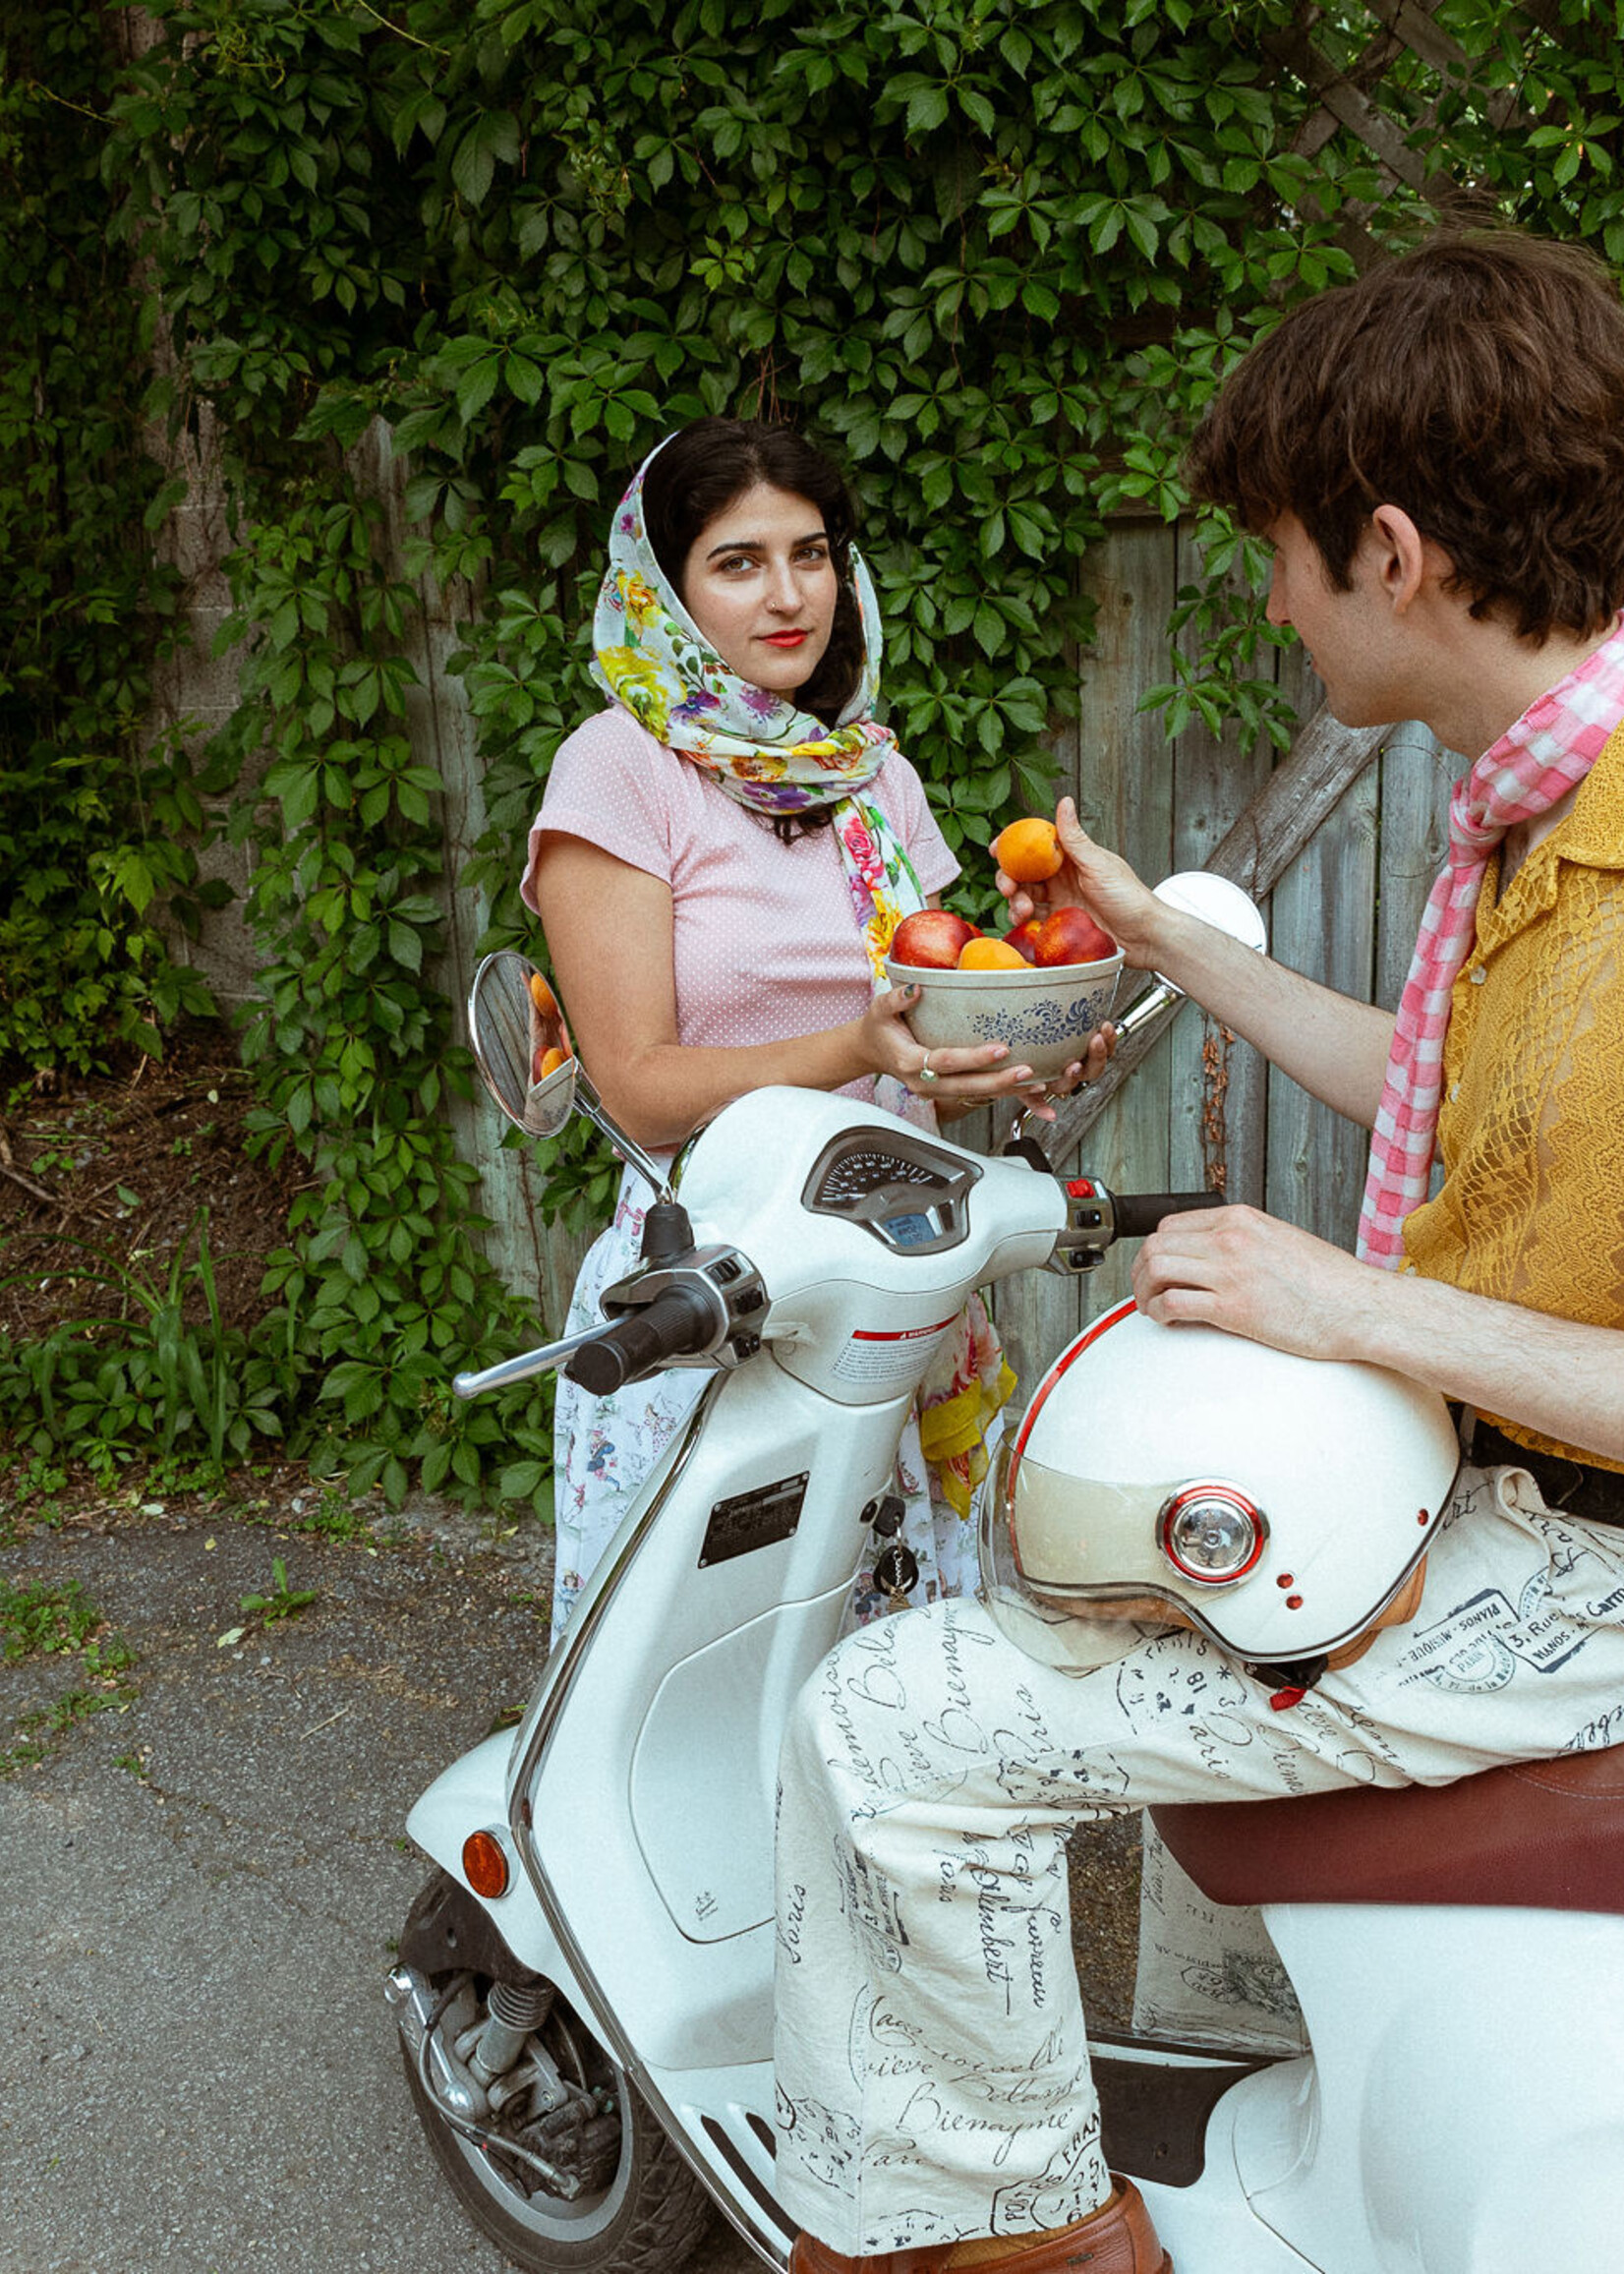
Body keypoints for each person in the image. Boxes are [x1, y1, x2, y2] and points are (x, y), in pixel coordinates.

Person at [772, 228, 1624, 2273]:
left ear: (1393, 552)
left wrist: (1348, 1300)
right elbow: (1449, 1087)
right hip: (1496, 1499)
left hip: (1578, 1573)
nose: (1263, 594)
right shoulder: (1550, 808)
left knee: (892, 1714)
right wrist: (1160, 944)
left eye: (1278, 548)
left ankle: (1036, 2243)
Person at [522, 420, 1108, 1643]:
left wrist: (1023, 1038)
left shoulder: (867, 778)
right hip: (715, 1293)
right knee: (704, 1660)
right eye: (738, 562)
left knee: (891, 1660)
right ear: (664, 590)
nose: (788, 596)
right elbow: (635, 1087)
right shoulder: (617, 774)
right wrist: (857, 1050)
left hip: (897, 1273)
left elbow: (915, 1060)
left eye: (812, 554)